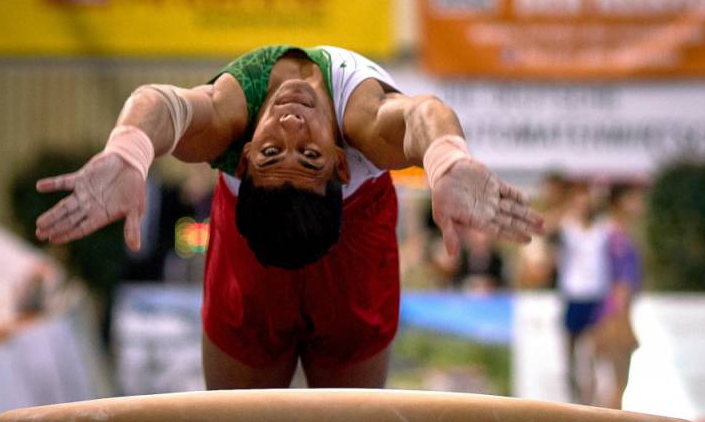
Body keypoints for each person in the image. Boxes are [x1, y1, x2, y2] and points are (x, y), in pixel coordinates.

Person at [34, 45, 544, 389]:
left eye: (275, 152)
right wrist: (444, 158)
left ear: (245, 156)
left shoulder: (237, 118)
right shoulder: (358, 123)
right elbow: (420, 117)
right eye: (307, 155)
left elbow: (419, 116)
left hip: (350, 257)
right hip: (254, 257)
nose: (291, 125)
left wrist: (445, 160)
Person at [586, 183, 644, 409]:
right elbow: (616, 279)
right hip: (612, 311)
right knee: (615, 377)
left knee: (618, 379)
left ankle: (608, 416)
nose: (640, 204)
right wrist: (616, 317)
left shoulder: (620, 232)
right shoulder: (612, 234)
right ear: (620, 201)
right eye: (634, 198)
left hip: (619, 309)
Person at [557, 181, 610, 404]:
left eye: (586, 204)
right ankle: (573, 395)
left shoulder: (603, 230)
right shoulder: (567, 227)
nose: (583, 207)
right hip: (573, 295)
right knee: (570, 351)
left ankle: (591, 397)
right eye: (579, 204)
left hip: (595, 296)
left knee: (591, 351)